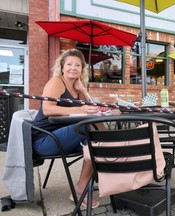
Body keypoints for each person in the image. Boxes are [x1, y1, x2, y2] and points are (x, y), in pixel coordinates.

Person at [32, 49, 111, 208]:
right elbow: (48, 109)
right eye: (69, 64)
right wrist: (80, 110)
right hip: (45, 140)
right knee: (90, 128)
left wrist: (82, 90)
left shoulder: (76, 87)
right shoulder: (56, 82)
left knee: (97, 139)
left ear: (82, 69)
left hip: (64, 137)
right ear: (62, 66)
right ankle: (87, 183)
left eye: (77, 65)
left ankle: (85, 184)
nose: (73, 68)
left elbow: (92, 109)